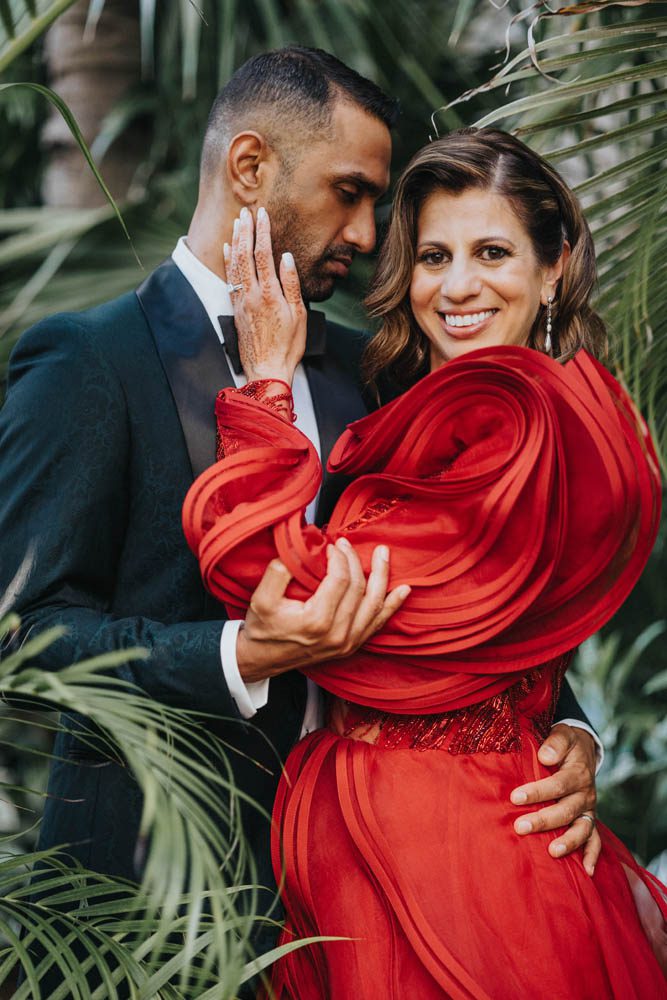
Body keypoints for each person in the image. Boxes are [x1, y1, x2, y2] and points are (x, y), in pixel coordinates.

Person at [0, 46, 597, 973]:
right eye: (348, 193)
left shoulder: (378, 368)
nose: (365, 232)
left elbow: (476, 581)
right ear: (249, 166)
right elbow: (24, 637)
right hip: (158, 906)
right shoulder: (89, 360)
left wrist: (570, 730)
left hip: (382, 893)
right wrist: (239, 655)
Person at [183, 128, 667, 998]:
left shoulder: (531, 435)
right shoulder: (437, 410)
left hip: (453, 859)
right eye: (434, 256)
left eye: (492, 253)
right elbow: (485, 645)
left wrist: (266, 387)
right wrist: (570, 734)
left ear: (554, 268)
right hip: (393, 836)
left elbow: (284, 585)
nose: (457, 286)